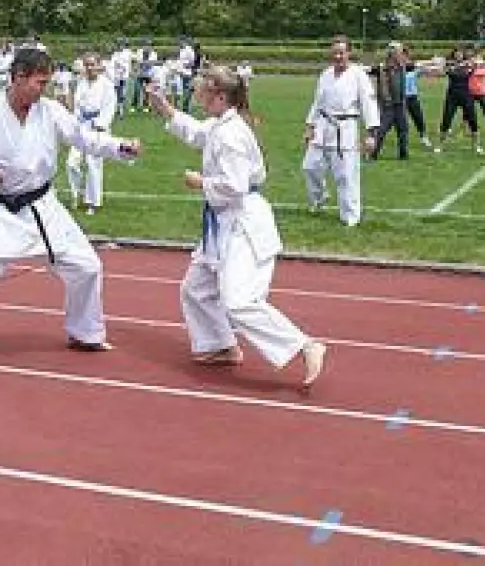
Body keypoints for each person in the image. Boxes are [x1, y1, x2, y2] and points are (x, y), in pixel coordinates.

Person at [0, 48, 144, 381]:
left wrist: (120, 146)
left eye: (46, 82)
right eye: (39, 81)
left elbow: (84, 138)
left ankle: (85, 333)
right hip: (3, 211)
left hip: (44, 207)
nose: (43, 89)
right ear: (18, 77)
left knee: (87, 266)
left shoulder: (50, 111)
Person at [147, 67, 328, 388]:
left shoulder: (230, 133)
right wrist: (167, 110)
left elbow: (235, 185)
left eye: (200, 90)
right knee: (197, 288)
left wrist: (200, 182)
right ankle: (219, 345)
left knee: (238, 301)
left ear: (218, 95)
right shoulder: (222, 124)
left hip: (242, 224)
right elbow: (198, 134)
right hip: (223, 223)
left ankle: (304, 345)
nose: (196, 94)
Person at [302, 34, 378, 226]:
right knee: (310, 167)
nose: (337, 56)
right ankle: (319, 198)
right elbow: (317, 102)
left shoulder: (358, 75)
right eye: (335, 53)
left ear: (349, 53)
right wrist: (309, 127)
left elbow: (368, 104)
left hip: (346, 128)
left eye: (341, 53)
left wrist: (371, 133)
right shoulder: (326, 74)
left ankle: (351, 216)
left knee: (346, 175)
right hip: (323, 125)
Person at [66, 52, 120, 215]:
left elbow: (110, 108)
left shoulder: (106, 85)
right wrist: (74, 121)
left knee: (93, 165)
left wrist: (100, 125)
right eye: (87, 64)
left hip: (98, 127)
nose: (90, 68)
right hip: (81, 125)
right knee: (71, 162)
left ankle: (93, 202)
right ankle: (76, 195)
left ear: (99, 66)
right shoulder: (81, 83)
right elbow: (76, 105)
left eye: (92, 64)